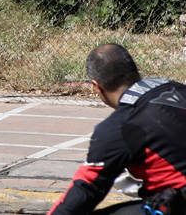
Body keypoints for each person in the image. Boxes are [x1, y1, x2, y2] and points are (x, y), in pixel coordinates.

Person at [48, 43, 186, 215]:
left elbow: (84, 192)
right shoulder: (177, 89)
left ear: (97, 86)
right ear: (135, 72)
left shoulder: (118, 127)